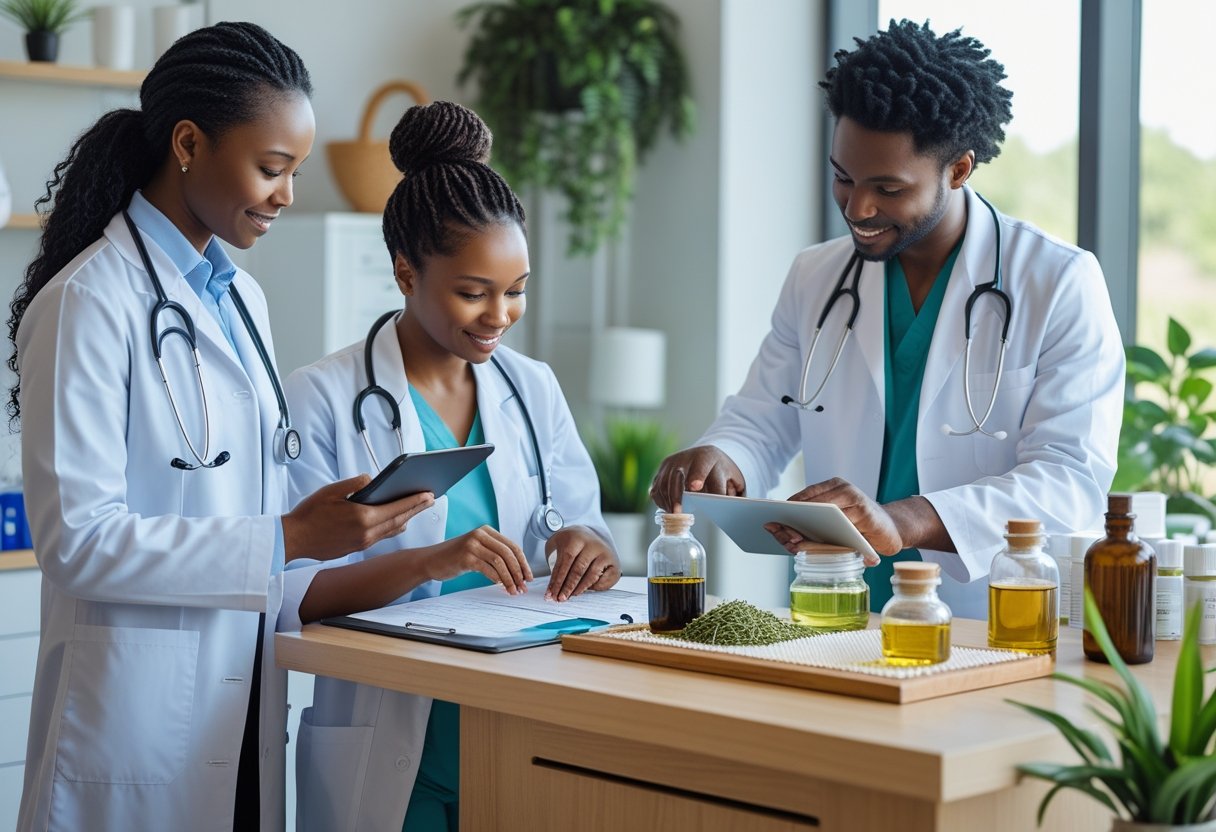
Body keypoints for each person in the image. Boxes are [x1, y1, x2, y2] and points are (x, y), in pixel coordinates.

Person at [8, 23, 430, 831]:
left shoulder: (241, 301)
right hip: (133, 724)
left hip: (239, 711)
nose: (286, 195)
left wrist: (327, 530)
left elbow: (238, 496)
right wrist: (287, 537)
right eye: (271, 169)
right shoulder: (88, 303)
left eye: (294, 172)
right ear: (190, 143)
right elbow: (78, 540)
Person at [650, 19, 1124, 620]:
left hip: (986, 616)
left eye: (887, 188)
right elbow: (763, 419)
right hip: (836, 604)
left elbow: (1069, 481)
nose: (858, 207)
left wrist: (904, 521)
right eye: (843, 177)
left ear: (958, 170)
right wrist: (722, 455)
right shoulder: (817, 276)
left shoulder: (1057, 281)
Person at [282, 100, 620, 831]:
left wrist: (587, 547)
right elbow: (290, 596)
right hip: (391, 737)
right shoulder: (321, 398)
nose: (499, 314)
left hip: (520, 720)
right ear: (406, 273)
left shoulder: (532, 387)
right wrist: (427, 562)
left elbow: (580, 522)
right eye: (473, 292)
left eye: (517, 290)